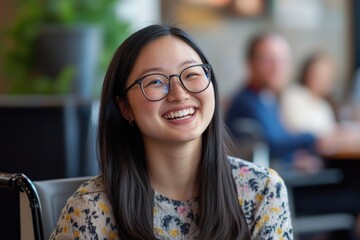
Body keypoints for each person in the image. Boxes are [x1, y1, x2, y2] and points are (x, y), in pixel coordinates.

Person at [50, 25, 292, 239]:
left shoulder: (262, 191)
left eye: (192, 74)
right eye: (155, 81)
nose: (179, 94)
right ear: (124, 107)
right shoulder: (92, 210)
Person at [225, 32, 323, 172]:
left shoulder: (268, 98)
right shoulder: (245, 102)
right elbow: (272, 144)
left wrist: (293, 159)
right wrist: (315, 137)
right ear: (251, 63)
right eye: (268, 60)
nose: (277, 68)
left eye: (283, 61)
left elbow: (279, 142)